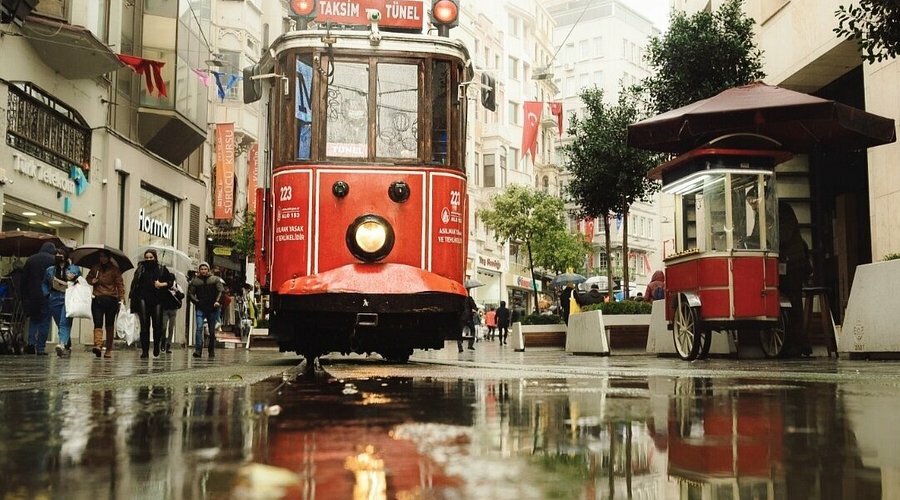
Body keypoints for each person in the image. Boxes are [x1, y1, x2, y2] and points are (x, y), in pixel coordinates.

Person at [778, 200, 813, 357]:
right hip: (785, 263)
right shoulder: (767, 212)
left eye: (753, 201)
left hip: (794, 263)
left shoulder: (782, 209)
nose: (752, 205)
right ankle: (793, 343)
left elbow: (783, 236)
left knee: (794, 304)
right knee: (789, 303)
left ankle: (799, 344)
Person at [129, 248, 174, 358]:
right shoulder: (141, 268)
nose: (149, 259)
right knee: (144, 325)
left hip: (158, 299)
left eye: (151, 257)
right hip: (143, 298)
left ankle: (157, 346)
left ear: (155, 258)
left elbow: (170, 282)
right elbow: (135, 283)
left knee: (157, 325)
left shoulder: (162, 269)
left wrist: (161, 284)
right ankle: (145, 350)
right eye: (147, 257)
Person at [86, 250, 125, 358]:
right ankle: (98, 345)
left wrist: (121, 298)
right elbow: (88, 278)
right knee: (97, 322)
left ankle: (108, 349)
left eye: (104, 256)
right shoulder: (95, 268)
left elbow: (120, 284)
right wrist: (92, 280)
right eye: (100, 256)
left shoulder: (114, 270)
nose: (102, 258)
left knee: (109, 324)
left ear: (108, 258)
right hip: (97, 298)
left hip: (111, 299)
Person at [44, 247, 80, 357]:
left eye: (61, 254)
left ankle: (62, 344)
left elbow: (79, 281)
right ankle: (67, 346)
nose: (59, 256)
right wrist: (47, 294)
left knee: (64, 322)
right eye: (57, 254)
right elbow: (45, 283)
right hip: (54, 297)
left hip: (68, 297)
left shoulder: (73, 268)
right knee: (59, 322)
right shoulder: (50, 270)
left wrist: (73, 278)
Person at [22, 242, 57, 355]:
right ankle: (41, 348)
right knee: (45, 321)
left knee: (34, 320)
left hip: (33, 295)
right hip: (47, 295)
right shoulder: (53, 260)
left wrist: (24, 295)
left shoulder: (31, 259)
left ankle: (31, 344)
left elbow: (24, 279)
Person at [188, 261, 224, 358]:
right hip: (200, 308)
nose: (203, 271)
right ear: (199, 270)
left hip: (212, 308)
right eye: (201, 269)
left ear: (208, 270)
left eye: (205, 269)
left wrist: (217, 301)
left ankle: (211, 350)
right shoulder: (195, 281)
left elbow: (221, 290)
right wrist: (196, 301)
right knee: (199, 328)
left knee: (212, 331)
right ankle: (198, 350)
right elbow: (190, 293)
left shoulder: (215, 279)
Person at [161, 280, 185, 353]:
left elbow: (182, 296)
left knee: (171, 328)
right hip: (165, 309)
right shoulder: (164, 286)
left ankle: (168, 345)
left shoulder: (177, 286)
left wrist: (176, 291)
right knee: (164, 327)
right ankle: (163, 342)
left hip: (173, 310)